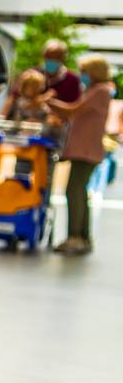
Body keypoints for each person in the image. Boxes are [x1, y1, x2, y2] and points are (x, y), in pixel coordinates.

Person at [41, 54, 114, 254]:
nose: (82, 75)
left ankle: (75, 237)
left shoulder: (100, 91)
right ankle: (83, 237)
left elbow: (72, 111)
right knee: (79, 192)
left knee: (74, 192)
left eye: (85, 72)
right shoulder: (94, 90)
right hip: (84, 150)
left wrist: (47, 100)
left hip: (87, 151)